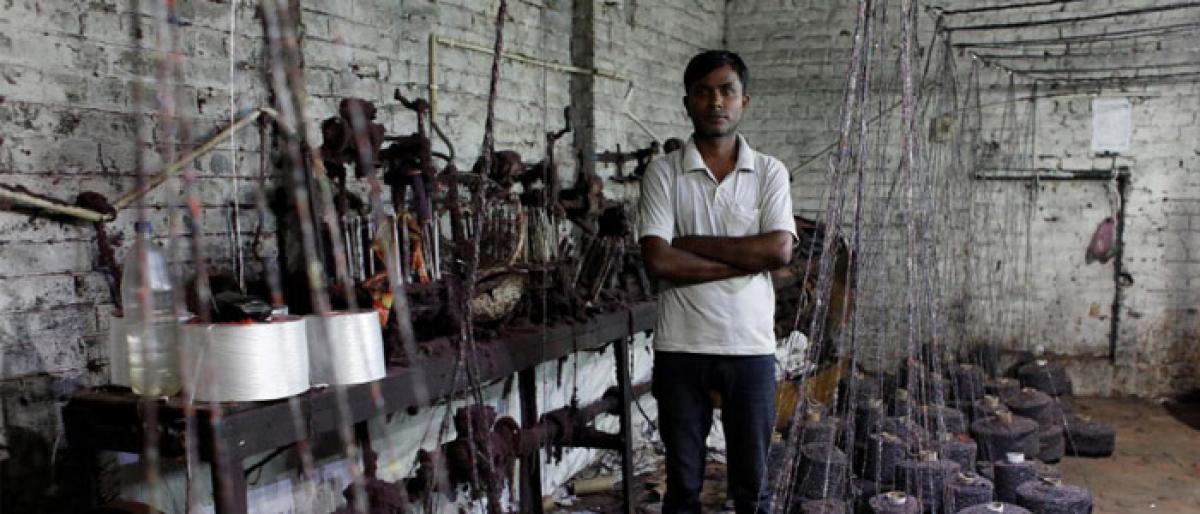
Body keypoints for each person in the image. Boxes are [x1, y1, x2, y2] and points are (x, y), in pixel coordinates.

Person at [638, 50, 797, 514]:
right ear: (687, 102)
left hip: (749, 348)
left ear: (744, 100)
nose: (715, 102)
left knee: (752, 489)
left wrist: (693, 242)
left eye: (726, 90)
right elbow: (659, 260)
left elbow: (778, 251)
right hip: (681, 348)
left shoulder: (769, 171)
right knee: (683, 489)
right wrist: (746, 261)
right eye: (703, 92)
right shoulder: (664, 171)